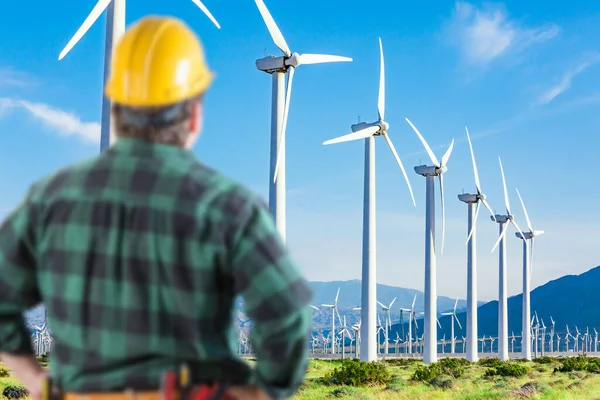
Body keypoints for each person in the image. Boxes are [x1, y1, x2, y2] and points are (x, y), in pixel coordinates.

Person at [0, 15, 313, 400]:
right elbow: (287, 311)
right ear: (194, 115)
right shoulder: (228, 206)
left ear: (117, 106)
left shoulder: (52, 199)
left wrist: (36, 382)